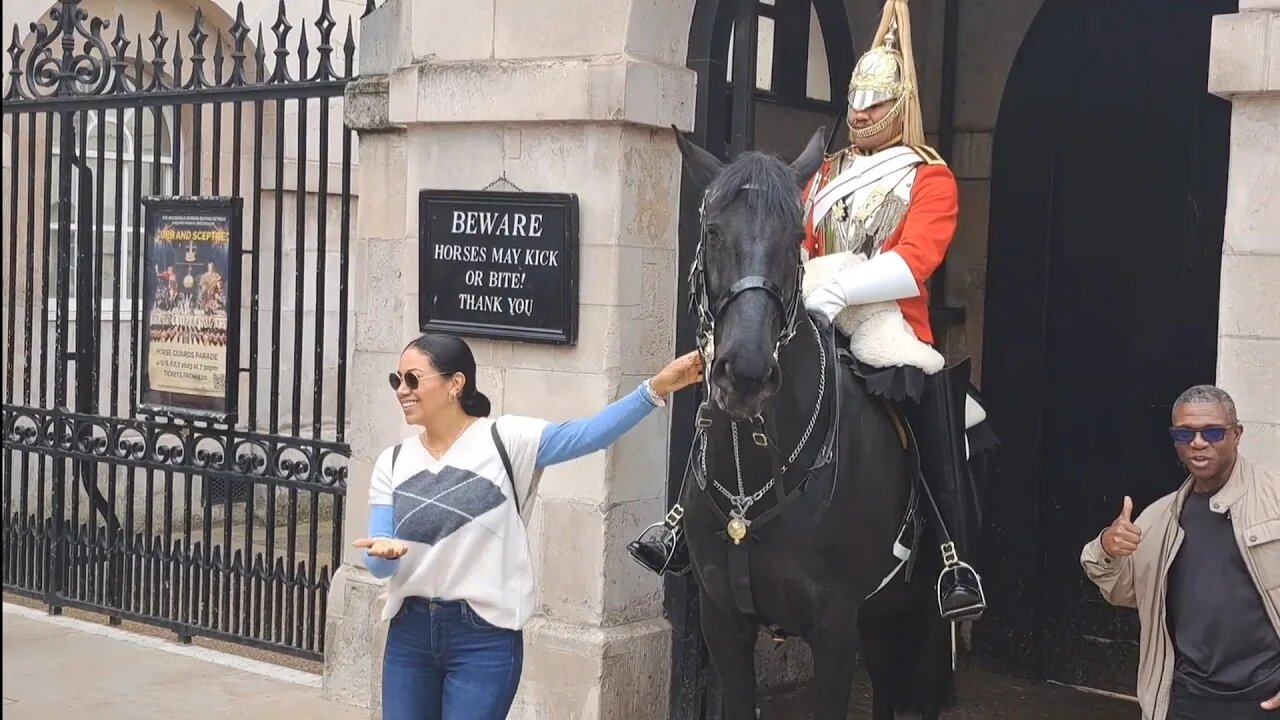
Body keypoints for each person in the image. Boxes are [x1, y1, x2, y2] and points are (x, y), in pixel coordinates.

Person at [629, 0, 991, 624]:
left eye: (875, 103)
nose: (860, 113)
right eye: (855, 100)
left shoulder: (929, 178)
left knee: (931, 391)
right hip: (812, 303)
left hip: (886, 318)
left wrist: (844, 290)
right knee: (734, 367)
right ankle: (685, 517)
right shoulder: (821, 175)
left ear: (899, 105)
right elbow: (792, 247)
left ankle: (952, 555)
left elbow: (915, 261)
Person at [353, 332, 703, 720]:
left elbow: (588, 435)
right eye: (396, 380)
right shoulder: (394, 461)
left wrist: (655, 389)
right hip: (409, 634)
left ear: (455, 383)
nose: (403, 390)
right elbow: (379, 561)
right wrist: (381, 555)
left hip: (484, 636)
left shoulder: (506, 440)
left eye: (413, 379)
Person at [1081, 385, 1280, 720]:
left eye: (1212, 432)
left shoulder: (1274, 498)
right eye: (1185, 433)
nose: (1198, 443)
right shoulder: (1160, 518)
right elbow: (1120, 590)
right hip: (1185, 701)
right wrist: (1106, 548)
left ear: (1237, 434)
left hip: (1264, 702)